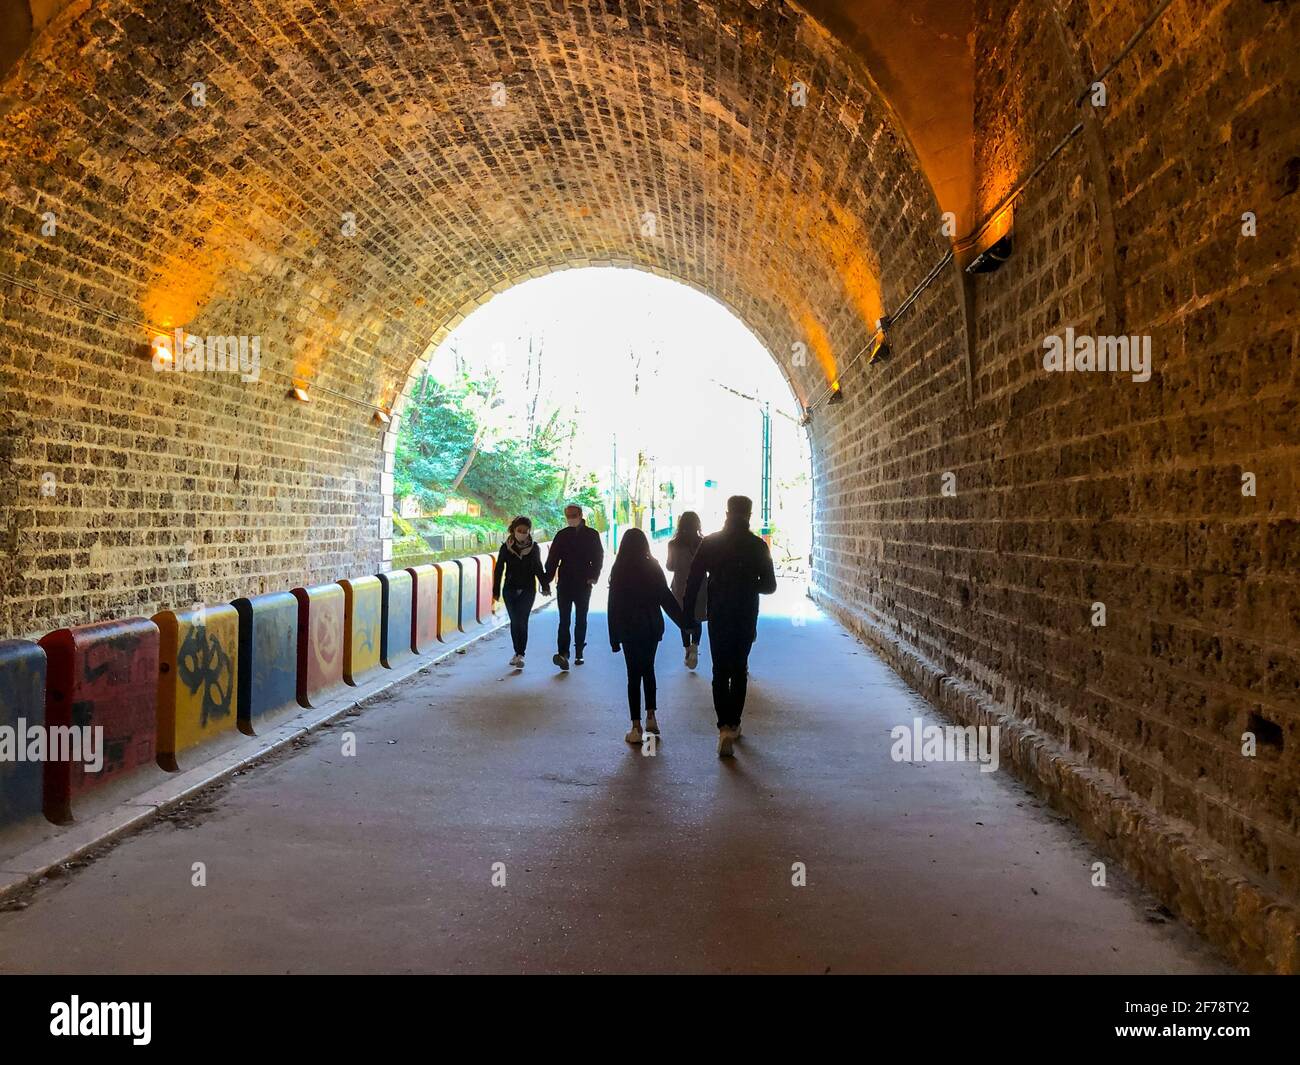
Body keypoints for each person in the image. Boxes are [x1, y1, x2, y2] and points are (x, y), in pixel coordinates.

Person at [682, 495, 776, 757]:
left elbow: (693, 579)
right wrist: (748, 584)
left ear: (727, 513)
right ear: (749, 515)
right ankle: (734, 724)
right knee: (739, 668)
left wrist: (688, 614)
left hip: (719, 613)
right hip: (745, 614)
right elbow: (770, 585)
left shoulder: (711, 542)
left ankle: (723, 726)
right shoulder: (758, 546)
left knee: (720, 670)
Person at [607, 528, 687, 745]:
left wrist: (614, 637)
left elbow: (613, 605)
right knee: (648, 669)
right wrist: (684, 623)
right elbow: (665, 598)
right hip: (651, 626)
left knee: (633, 676)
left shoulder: (619, 568)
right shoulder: (653, 566)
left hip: (628, 628)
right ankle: (651, 717)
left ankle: (636, 727)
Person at [544, 504, 604, 670]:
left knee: (581, 618)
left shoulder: (592, 535)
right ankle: (563, 653)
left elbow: (598, 557)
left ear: (580, 515)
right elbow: (553, 559)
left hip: (584, 582)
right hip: (564, 582)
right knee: (564, 620)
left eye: (574, 515)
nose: (571, 518)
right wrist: (546, 581)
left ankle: (579, 652)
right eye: (568, 515)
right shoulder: (562, 535)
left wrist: (593, 576)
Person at [492, 516, 550, 668]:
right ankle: (516, 651)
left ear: (529, 531)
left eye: (525, 531)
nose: (522, 533)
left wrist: (545, 586)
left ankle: (520, 653)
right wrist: (495, 591)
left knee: (522, 621)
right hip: (509, 590)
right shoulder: (506, 547)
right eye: (519, 530)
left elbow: (538, 567)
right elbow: (499, 569)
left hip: (528, 589)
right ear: (513, 530)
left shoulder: (534, 548)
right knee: (514, 621)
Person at [666, 510, 706, 669]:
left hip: (680, 585)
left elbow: (670, 566)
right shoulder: (703, 542)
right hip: (699, 586)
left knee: (683, 617)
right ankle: (695, 646)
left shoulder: (673, 544)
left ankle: (687, 648)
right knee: (697, 615)